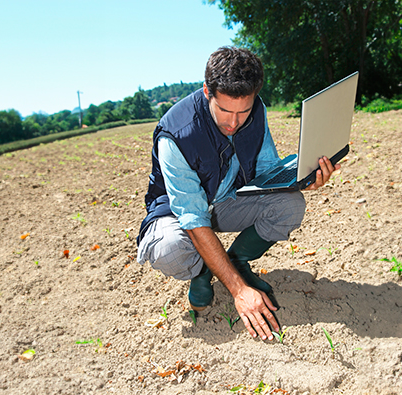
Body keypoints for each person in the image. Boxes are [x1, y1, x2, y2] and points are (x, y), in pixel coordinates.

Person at [136, 46, 339, 341]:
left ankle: (237, 263)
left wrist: (302, 178)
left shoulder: (256, 110)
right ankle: (203, 272)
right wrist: (239, 291)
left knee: (289, 204)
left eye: (243, 112)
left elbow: (266, 169)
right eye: (225, 111)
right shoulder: (176, 134)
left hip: (226, 200)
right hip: (176, 213)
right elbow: (192, 218)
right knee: (169, 249)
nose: (234, 123)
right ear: (208, 91)